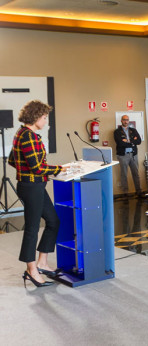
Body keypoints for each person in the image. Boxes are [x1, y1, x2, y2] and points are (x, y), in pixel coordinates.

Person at [9, 101, 66, 287]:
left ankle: (42, 263)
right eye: (44, 117)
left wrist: (27, 171)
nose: (46, 121)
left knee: (53, 221)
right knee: (32, 228)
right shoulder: (28, 136)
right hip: (31, 188)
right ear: (35, 117)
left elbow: (12, 160)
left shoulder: (21, 133)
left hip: (35, 186)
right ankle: (31, 270)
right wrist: (59, 168)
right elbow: (37, 167)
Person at [114, 114, 143, 197]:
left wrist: (127, 141)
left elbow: (139, 141)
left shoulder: (133, 130)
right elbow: (119, 143)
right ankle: (125, 192)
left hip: (133, 155)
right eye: (124, 120)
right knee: (124, 174)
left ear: (128, 121)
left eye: (127, 120)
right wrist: (132, 141)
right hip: (123, 155)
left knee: (136, 173)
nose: (125, 121)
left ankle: (139, 191)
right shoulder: (117, 132)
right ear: (121, 121)